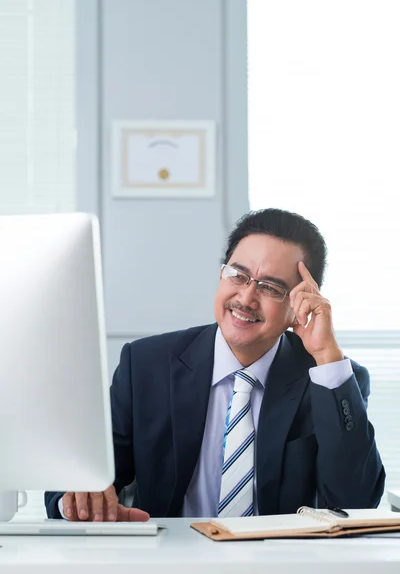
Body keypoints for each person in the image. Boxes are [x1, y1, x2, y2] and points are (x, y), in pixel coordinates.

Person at [45, 208, 385, 522]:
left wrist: (326, 354)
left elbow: (356, 502)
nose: (247, 298)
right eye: (238, 275)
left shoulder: (331, 378)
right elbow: (70, 484)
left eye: (271, 287)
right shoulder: (146, 366)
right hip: (169, 562)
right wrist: (79, 496)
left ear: (300, 303)